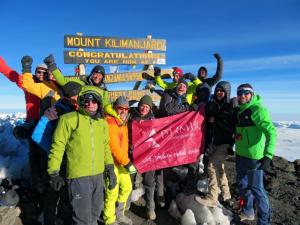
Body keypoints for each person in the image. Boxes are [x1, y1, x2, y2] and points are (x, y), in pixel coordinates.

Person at [47, 85, 116, 225]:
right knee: (82, 218)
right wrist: (53, 172)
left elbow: (105, 147)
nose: (90, 104)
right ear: (81, 101)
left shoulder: (102, 123)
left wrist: (110, 168)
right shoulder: (68, 119)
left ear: (99, 103)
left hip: (98, 175)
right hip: (79, 176)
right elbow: (58, 146)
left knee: (96, 212)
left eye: (94, 101)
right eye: (87, 100)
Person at [31, 81, 82, 225]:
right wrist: (57, 152)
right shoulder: (57, 110)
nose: (76, 101)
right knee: (55, 192)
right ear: (65, 98)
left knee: (70, 193)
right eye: (72, 99)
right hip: (60, 163)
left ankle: (67, 218)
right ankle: (49, 220)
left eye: (78, 97)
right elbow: (38, 135)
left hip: (76, 162)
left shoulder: (83, 109)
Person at [234, 83, 276, 224]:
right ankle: (248, 211)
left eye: (246, 93)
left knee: (258, 190)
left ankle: (264, 222)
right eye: (240, 93)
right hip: (240, 156)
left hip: (254, 158)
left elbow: (271, 132)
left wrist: (268, 155)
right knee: (242, 185)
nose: (243, 96)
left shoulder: (258, 110)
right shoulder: (240, 110)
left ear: (252, 94)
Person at [195, 81, 237, 207]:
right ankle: (226, 194)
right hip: (214, 142)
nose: (219, 92)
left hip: (225, 143)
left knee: (211, 167)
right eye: (218, 90)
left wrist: (217, 120)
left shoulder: (231, 106)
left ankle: (212, 197)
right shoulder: (212, 104)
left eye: (222, 91)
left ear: (227, 92)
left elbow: (233, 128)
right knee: (220, 168)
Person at [43, 54, 120, 119]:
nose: (97, 77)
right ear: (92, 74)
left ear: (103, 77)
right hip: (80, 115)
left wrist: (116, 115)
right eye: (96, 73)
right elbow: (63, 81)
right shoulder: (83, 83)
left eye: (100, 75)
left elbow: (106, 105)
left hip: (96, 117)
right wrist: (51, 65)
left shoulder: (104, 90)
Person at [129, 95, 165, 220]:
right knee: (129, 180)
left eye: (146, 106)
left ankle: (150, 208)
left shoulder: (154, 121)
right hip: (133, 157)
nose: (143, 108)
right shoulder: (131, 119)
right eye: (142, 106)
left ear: (150, 108)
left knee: (149, 183)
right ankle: (126, 206)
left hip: (149, 158)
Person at [103, 96, 135, 225]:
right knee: (112, 191)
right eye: (120, 108)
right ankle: (109, 220)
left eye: (126, 109)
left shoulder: (122, 121)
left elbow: (122, 142)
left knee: (127, 187)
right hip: (111, 163)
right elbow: (113, 147)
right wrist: (127, 162)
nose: (123, 111)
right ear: (115, 108)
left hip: (121, 162)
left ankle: (119, 214)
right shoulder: (110, 121)